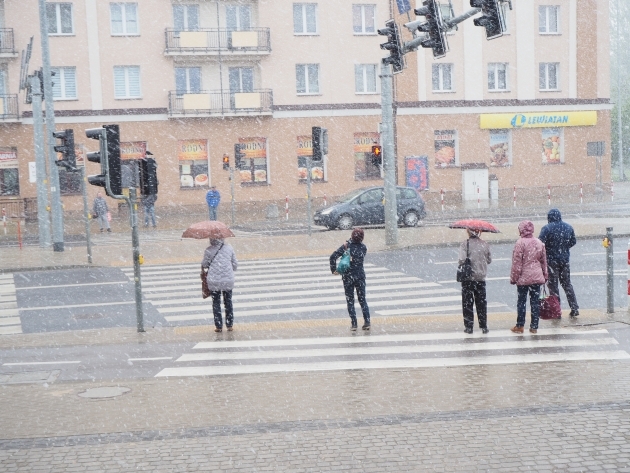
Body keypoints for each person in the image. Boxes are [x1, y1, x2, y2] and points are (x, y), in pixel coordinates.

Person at [539, 208, 579, 318]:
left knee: (553, 286)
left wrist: (549, 250)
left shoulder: (546, 229)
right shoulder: (568, 227)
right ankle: (574, 307)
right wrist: (564, 249)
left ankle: (557, 311)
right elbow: (573, 241)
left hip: (551, 261)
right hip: (565, 260)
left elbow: (540, 244)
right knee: (567, 284)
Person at [510, 220, 548, 334]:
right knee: (535, 302)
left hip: (523, 278)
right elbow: (543, 261)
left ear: (521, 230)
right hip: (536, 277)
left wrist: (514, 278)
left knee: (521, 301)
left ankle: (520, 325)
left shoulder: (520, 243)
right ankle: (534, 326)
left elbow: (517, 263)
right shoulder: (539, 242)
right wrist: (545, 275)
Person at [330, 228, 370, 331]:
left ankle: (354, 324)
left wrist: (334, 270)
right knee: (362, 300)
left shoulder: (346, 247)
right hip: (360, 276)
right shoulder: (363, 248)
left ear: (352, 236)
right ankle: (367, 322)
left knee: (350, 300)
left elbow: (333, 257)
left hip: (348, 277)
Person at [458, 229, 492, 334]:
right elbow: (489, 260)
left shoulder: (465, 244)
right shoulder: (485, 244)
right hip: (480, 278)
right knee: (481, 302)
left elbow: (461, 260)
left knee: (467, 303)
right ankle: (484, 326)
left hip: (468, 277)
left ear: (469, 232)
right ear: (479, 232)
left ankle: (469, 327)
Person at [202, 238, 238, 332]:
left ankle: (218, 326)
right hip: (227, 280)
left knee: (216, 303)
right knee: (228, 302)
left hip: (214, 281)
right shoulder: (229, 248)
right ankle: (229, 325)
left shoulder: (209, 250)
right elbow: (235, 264)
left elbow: (205, 264)